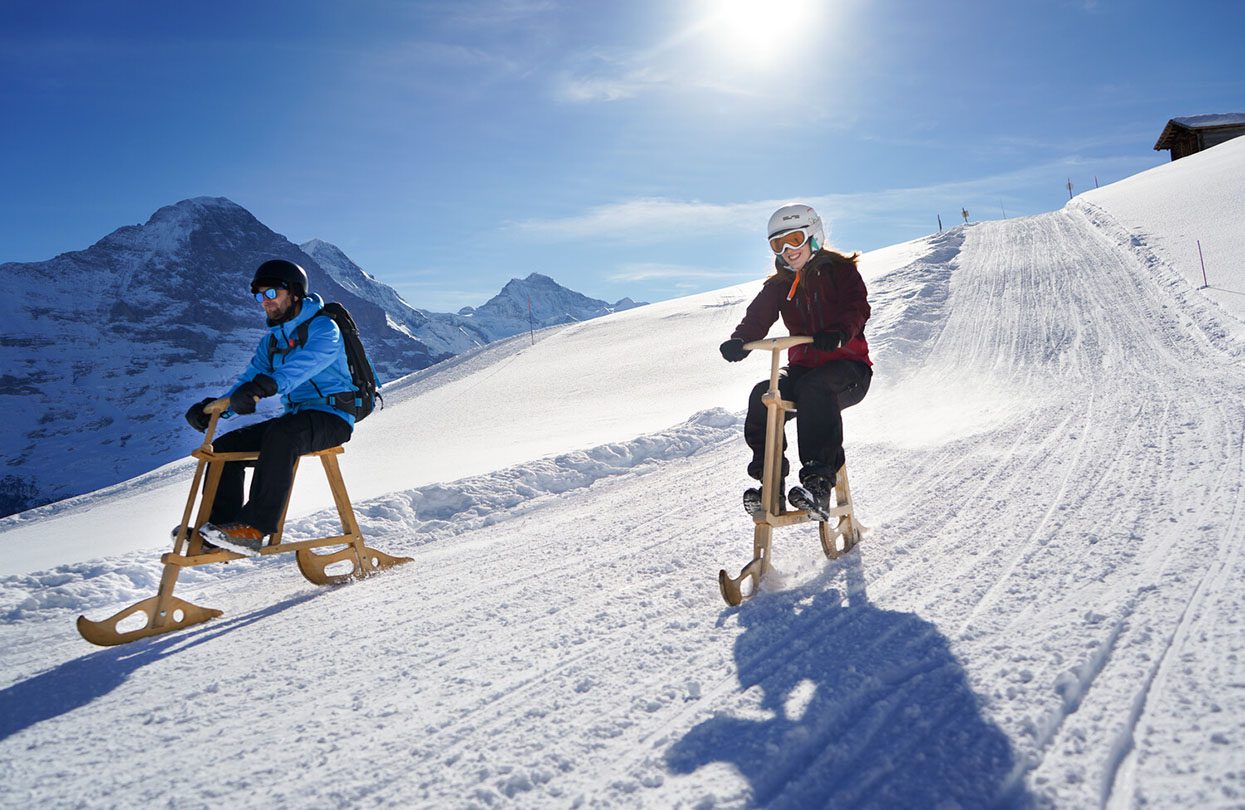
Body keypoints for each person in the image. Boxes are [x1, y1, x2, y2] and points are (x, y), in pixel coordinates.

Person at [183, 259, 356, 554]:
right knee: (225, 447)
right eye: (259, 296)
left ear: (294, 293)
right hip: (297, 417)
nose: (265, 302)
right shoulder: (271, 342)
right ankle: (218, 530)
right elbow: (248, 380)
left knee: (283, 435)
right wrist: (216, 408)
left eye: (271, 293)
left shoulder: (324, 328)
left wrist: (268, 386)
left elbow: (307, 364)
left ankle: (254, 528)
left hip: (332, 416)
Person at [719, 203, 872, 517]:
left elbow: (856, 308)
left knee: (816, 389)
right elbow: (757, 318)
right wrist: (740, 340)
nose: (788, 250)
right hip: (803, 369)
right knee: (764, 395)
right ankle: (770, 487)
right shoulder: (778, 286)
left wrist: (840, 333)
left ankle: (818, 483)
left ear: (814, 237)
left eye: (795, 240)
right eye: (779, 244)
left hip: (848, 368)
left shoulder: (841, 272)